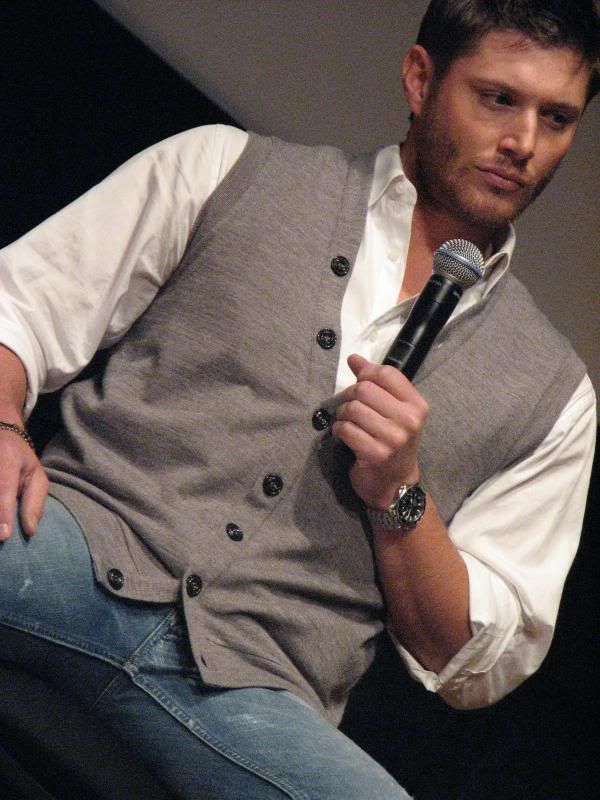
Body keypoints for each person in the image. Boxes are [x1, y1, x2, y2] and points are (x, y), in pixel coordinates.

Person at [0, 0, 597, 797]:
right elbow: (21, 306)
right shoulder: (224, 168)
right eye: (498, 99)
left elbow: (471, 658)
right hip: (67, 555)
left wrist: (400, 496)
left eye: (556, 118)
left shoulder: (558, 395)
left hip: (255, 693)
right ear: (420, 79)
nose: (523, 141)